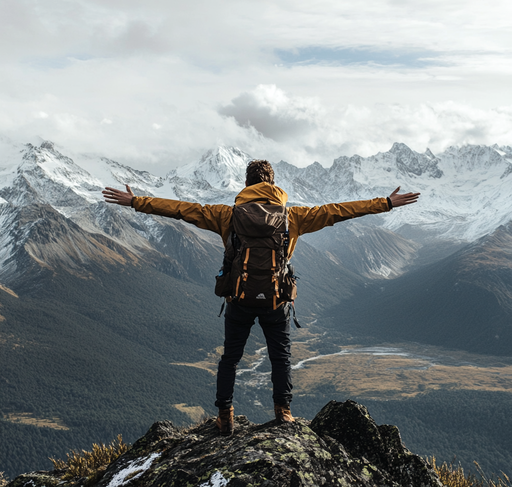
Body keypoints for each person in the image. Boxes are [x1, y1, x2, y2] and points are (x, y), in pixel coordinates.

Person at [103, 159, 420, 436]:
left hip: (239, 300)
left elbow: (181, 210)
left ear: (246, 184)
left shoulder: (226, 216)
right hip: (276, 302)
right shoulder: (292, 217)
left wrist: (136, 201)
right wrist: (386, 203)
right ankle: (283, 413)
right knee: (280, 357)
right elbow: (337, 212)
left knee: (230, 358)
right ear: (272, 184)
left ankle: (225, 417)